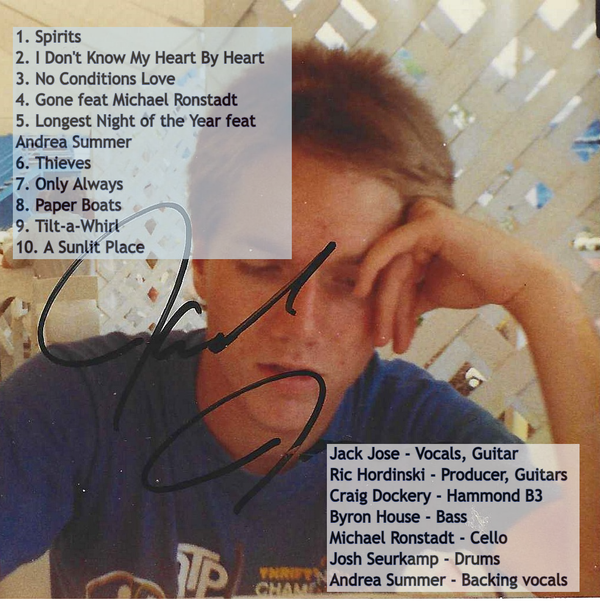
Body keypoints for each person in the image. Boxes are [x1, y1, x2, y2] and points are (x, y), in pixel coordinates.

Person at [0, 43, 598, 598]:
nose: (301, 324)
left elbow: (584, 580)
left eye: (351, 280)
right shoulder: (84, 409)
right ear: (203, 264)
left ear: (404, 291)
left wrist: (540, 293)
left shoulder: (401, 447)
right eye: (263, 267)